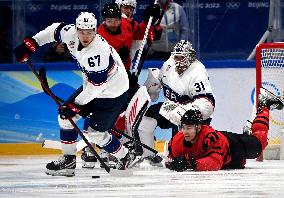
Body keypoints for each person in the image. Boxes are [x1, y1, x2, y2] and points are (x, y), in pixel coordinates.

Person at [14, 12, 136, 176]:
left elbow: (96, 89)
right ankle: (69, 160)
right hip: (92, 86)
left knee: (95, 134)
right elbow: (53, 30)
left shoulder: (97, 52)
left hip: (113, 91)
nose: (85, 36)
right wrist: (32, 43)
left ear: (95, 31)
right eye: (82, 31)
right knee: (65, 118)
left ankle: (124, 156)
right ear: (77, 29)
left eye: (90, 32)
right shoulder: (70, 33)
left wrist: (74, 106)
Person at [80, 2, 161, 168]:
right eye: (109, 20)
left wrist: (149, 21)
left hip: (123, 78)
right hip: (100, 78)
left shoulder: (128, 24)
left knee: (132, 106)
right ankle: (91, 148)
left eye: (115, 19)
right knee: (95, 110)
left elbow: (140, 34)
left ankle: (127, 142)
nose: (113, 23)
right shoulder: (99, 34)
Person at [165, 88, 284, 171]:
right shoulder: (176, 141)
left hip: (233, 147)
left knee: (259, 144)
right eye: (183, 127)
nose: (185, 131)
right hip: (227, 161)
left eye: (189, 127)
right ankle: (247, 133)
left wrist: (190, 163)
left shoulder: (210, 137)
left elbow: (216, 163)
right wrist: (172, 163)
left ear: (199, 127)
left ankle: (264, 104)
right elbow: (169, 159)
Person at [138, 40, 215, 165]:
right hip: (171, 108)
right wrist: (151, 87)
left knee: (179, 153)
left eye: (182, 57)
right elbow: (160, 80)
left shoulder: (198, 72)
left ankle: (182, 155)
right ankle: (149, 155)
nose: (178, 60)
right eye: (176, 57)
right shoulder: (169, 63)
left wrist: (188, 112)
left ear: (190, 56)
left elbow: (207, 102)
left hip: (192, 116)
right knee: (146, 117)